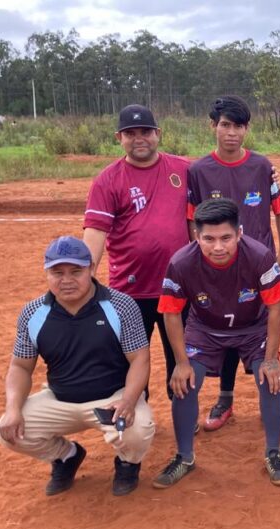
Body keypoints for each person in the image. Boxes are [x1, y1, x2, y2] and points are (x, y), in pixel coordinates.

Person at [0, 236, 155, 497]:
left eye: (76, 271)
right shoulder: (32, 313)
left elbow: (140, 359)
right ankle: (67, 456)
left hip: (112, 398)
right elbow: (20, 367)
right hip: (60, 398)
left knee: (137, 430)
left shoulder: (121, 305)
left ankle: (127, 463)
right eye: (57, 272)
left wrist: (128, 400)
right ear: (47, 273)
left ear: (91, 269)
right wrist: (12, 409)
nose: (66, 280)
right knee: (8, 431)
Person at [154, 198, 280, 488]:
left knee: (270, 379)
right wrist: (180, 363)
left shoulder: (259, 256)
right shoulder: (181, 263)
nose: (218, 247)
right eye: (209, 239)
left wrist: (270, 359)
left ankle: (274, 453)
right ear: (196, 236)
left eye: (226, 238)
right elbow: (170, 313)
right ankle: (184, 457)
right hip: (205, 329)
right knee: (183, 384)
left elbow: (276, 307)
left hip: (253, 327)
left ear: (240, 233)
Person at [187, 96, 280, 432]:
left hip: (257, 268)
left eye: (239, 126)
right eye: (225, 125)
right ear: (213, 126)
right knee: (224, 330)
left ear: (247, 129)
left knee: (261, 329)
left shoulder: (261, 166)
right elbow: (193, 222)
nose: (232, 133)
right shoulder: (199, 171)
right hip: (216, 269)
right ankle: (225, 398)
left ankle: (268, 396)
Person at [83, 104, 194, 411]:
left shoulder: (184, 169)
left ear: (157, 134)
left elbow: (209, 205)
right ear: (120, 138)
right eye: (130, 134)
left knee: (181, 357)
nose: (139, 139)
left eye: (145, 131)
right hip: (128, 292)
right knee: (132, 358)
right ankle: (136, 417)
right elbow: (95, 233)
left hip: (177, 287)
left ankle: (184, 415)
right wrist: (84, 276)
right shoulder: (107, 180)